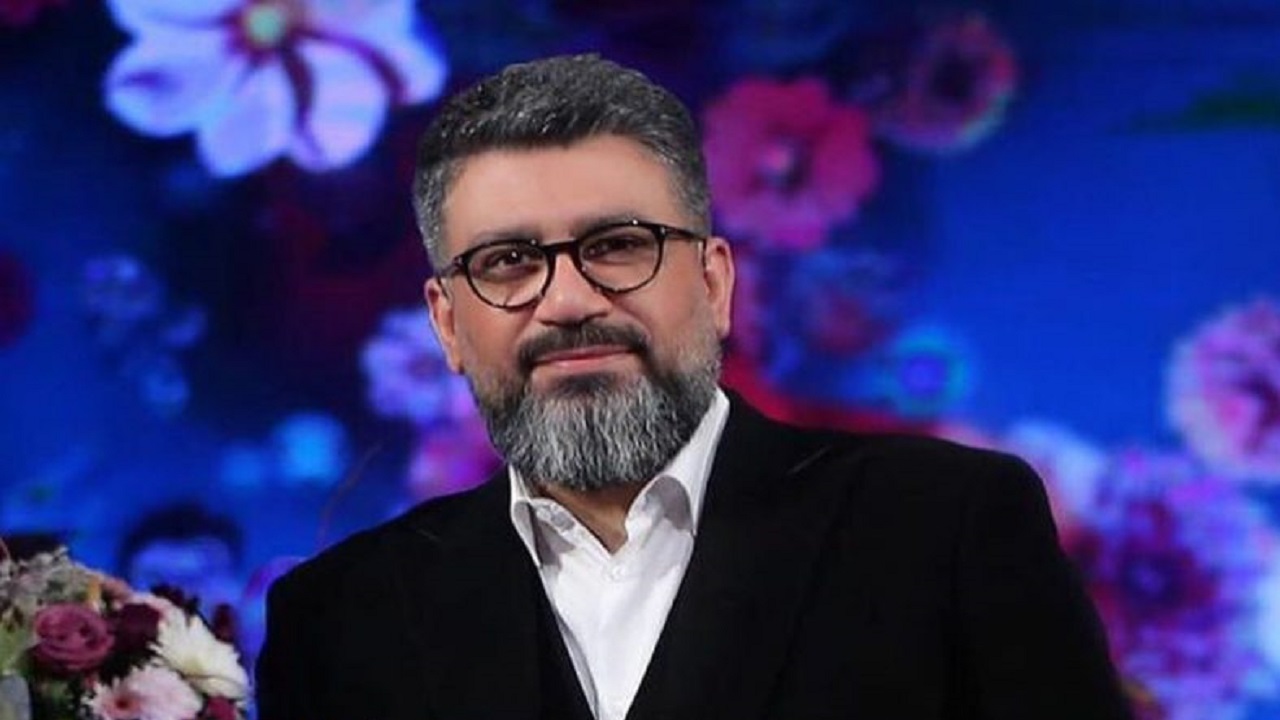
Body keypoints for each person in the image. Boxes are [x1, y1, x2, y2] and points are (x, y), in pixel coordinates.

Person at [256, 54, 1133, 720]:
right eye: (509, 261)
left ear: (715, 283)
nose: (567, 300)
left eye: (617, 246)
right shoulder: (337, 619)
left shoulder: (948, 527)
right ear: (447, 323)